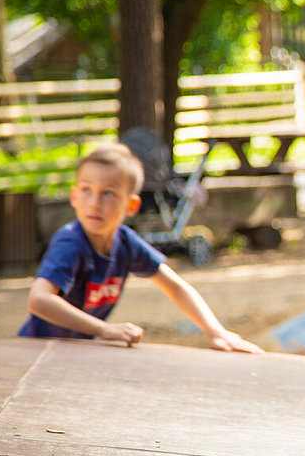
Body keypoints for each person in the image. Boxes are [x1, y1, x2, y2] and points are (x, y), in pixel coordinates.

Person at [19, 142, 263, 354]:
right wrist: (103, 329)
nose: (94, 203)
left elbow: (176, 287)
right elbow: (39, 300)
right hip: (39, 350)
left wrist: (215, 331)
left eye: (109, 193)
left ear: (131, 205)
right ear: (73, 196)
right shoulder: (70, 242)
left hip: (79, 351)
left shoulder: (126, 243)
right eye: (86, 190)